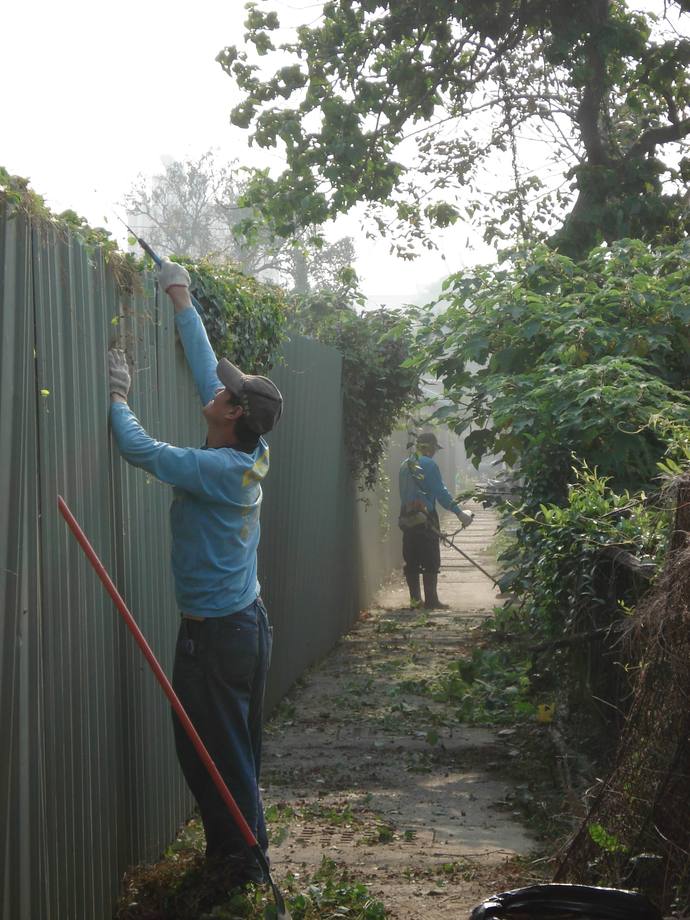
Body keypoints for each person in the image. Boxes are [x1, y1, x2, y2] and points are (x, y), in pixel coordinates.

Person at [107, 259, 283, 887]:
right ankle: (247, 858)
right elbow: (208, 367)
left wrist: (118, 398)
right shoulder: (251, 446)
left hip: (218, 636)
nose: (214, 389)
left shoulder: (218, 471)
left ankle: (239, 870)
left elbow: (141, 450)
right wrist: (180, 297)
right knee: (233, 750)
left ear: (232, 414)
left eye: (225, 393)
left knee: (211, 753)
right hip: (242, 626)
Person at [398, 431, 473, 609]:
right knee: (430, 559)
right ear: (430, 448)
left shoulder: (404, 464)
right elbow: (441, 493)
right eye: (434, 449)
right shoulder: (429, 464)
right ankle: (431, 601)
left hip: (406, 516)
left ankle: (415, 601)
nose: (434, 453)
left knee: (411, 558)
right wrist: (459, 513)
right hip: (425, 517)